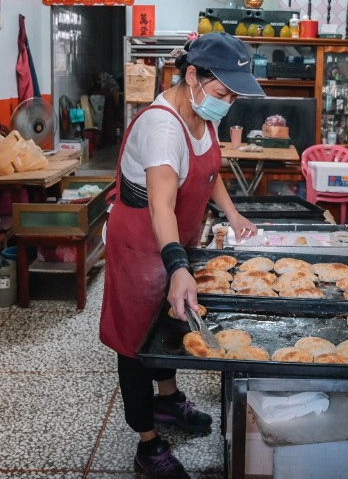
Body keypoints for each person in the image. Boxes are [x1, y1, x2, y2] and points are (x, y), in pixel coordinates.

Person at [99, 32, 264, 479]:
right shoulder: (160, 128)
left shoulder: (199, 112)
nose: (226, 102)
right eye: (221, 91)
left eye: (232, 94)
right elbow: (160, 205)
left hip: (176, 241)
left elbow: (209, 172)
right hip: (140, 245)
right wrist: (176, 265)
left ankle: (169, 400)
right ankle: (147, 443)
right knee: (135, 343)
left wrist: (232, 214)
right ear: (191, 75)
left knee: (174, 318)